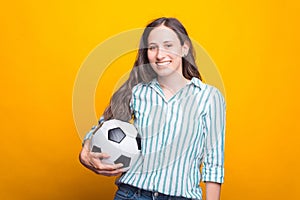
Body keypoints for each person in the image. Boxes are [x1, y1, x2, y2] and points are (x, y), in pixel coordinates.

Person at [79, 17, 226, 200]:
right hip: (132, 194)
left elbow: (214, 163)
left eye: (168, 45)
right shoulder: (137, 92)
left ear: (184, 48)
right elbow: (101, 129)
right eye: (152, 47)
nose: (159, 55)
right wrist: (85, 151)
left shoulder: (209, 97)